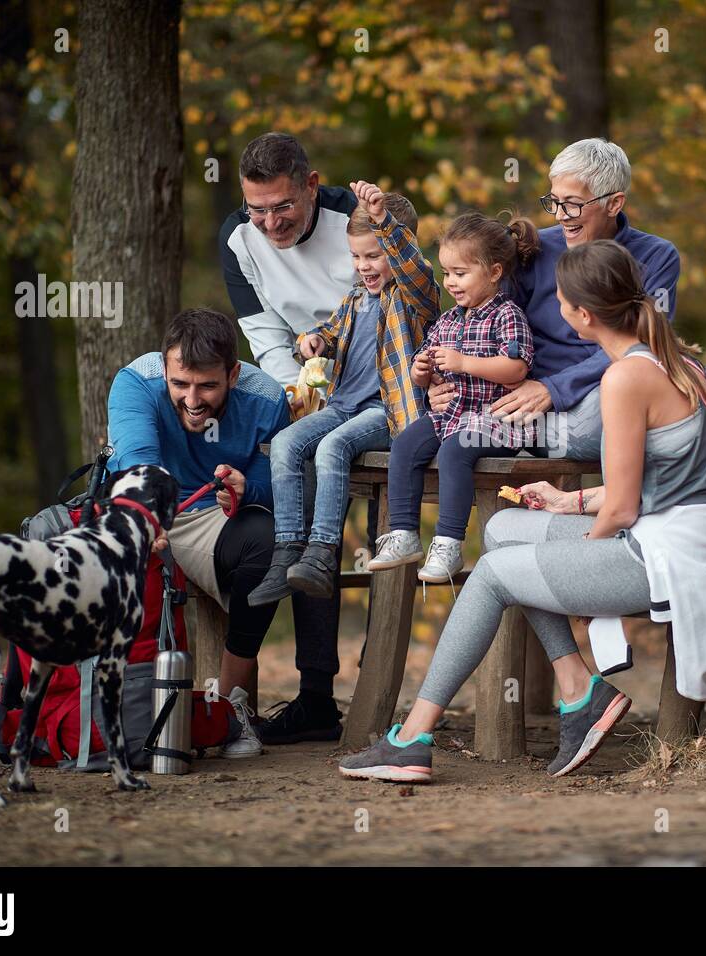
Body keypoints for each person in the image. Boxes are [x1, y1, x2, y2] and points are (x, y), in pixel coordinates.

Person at [340, 241, 706, 783]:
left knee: (499, 571)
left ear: (583, 314)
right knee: (502, 529)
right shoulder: (674, 359)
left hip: (672, 559)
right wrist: (569, 502)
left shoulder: (625, 379)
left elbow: (619, 508)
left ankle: (412, 737)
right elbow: (647, 488)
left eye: (561, 300)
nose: (556, 308)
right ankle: (578, 689)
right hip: (678, 534)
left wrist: (575, 567)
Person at [217, 131, 354, 743]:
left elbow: (407, 304)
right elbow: (265, 336)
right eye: (257, 209)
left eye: (283, 206)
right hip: (302, 384)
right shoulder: (238, 242)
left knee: (328, 477)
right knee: (282, 493)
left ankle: (333, 692)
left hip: (379, 378)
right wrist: (300, 393)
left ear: (311, 185)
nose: (271, 222)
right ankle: (313, 700)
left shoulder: (357, 216)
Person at [106, 308, 290, 759]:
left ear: (233, 372)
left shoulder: (266, 396)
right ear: (165, 368)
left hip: (215, 516)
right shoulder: (136, 380)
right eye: (180, 384)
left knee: (271, 545)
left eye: (207, 385)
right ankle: (74, 707)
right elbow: (138, 461)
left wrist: (249, 488)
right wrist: (148, 522)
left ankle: (229, 708)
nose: (192, 399)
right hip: (144, 507)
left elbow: (283, 481)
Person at [426, 138, 680, 462]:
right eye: (554, 201)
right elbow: (482, 324)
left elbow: (647, 342)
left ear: (614, 204)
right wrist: (441, 383)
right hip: (534, 407)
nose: (560, 215)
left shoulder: (657, 256)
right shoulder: (537, 249)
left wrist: (555, 388)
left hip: (611, 389)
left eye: (572, 204)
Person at [248, 182, 439, 604]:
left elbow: (415, 269)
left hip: (387, 412)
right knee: (285, 443)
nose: (364, 266)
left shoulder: (413, 297)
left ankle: (321, 551)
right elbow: (328, 333)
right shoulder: (355, 299)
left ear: (397, 247)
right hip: (344, 405)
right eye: (356, 257)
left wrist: (384, 219)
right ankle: (288, 549)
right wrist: (311, 342)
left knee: (331, 447)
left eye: (374, 256)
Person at [366, 212, 539, 584]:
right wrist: (421, 372)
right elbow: (426, 367)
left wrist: (464, 362)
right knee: (407, 442)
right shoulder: (447, 320)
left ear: (493, 273)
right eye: (446, 274)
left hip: (496, 419)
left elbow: (516, 369)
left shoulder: (506, 315)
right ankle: (404, 534)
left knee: (455, 451)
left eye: (460, 273)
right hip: (452, 414)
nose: (451, 283)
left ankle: (448, 543)